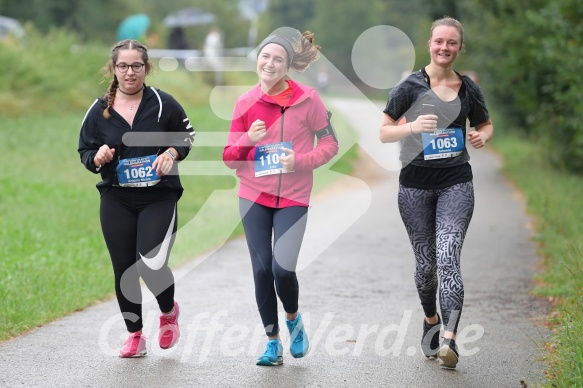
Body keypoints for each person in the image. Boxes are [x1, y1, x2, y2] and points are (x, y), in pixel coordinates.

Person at [379, 17, 494, 369]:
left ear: (460, 48)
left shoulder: (468, 88)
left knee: (447, 256)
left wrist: (482, 137)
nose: (445, 48)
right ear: (430, 44)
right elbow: (383, 132)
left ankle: (450, 340)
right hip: (414, 185)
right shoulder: (409, 86)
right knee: (426, 265)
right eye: (439, 41)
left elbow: (484, 123)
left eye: (452, 43)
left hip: (456, 182)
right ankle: (430, 318)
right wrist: (412, 126)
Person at [222, 31, 338, 366]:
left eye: (278, 59)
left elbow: (330, 145)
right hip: (253, 196)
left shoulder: (308, 99)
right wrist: (248, 137)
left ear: (287, 67)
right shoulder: (245, 102)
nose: (269, 63)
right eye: (265, 57)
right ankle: (272, 343)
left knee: (282, 269)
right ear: (257, 59)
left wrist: (300, 161)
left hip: (294, 196)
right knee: (261, 271)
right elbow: (230, 157)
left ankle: (293, 319)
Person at [78, 39, 195, 358]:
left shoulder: (162, 103)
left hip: (158, 196)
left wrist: (172, 152)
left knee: (151, 260)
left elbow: (187, 135)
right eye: (123, 66)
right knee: (124, 268)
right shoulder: (98, 110)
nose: (130, 72)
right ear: (113, 69)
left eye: (136, 66)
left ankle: (168, 312)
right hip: (116, 197)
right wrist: (97, 157)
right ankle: (135, 334)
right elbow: (85, 152)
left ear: (147, 68)